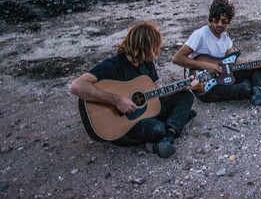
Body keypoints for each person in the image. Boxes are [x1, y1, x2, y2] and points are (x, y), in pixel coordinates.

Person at [69, 21, 195, 159]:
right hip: (121, 126)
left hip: (144, 113)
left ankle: (168, 136)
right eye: (155, 46)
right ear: (145, 47)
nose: (158, 50)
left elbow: (155, 92)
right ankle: (174, 124)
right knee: (155, 128)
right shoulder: (113, 65)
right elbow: (76, 86)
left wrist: (179, 87)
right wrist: (117, 100)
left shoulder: (146, 63)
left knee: (186, 96)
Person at [172, 0, 261, 105]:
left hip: (223, 76)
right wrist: (205, 65)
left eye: (224, 21)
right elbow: (177, 58)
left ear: (228, 22)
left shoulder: (225, 37)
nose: (219, 25)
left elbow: (235, 61)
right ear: (211, 19)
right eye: (216, 21)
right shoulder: (200, 35)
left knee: (259, 67)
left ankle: (259, 92)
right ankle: (258, 87)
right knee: (245, 88)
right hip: (205, 86)